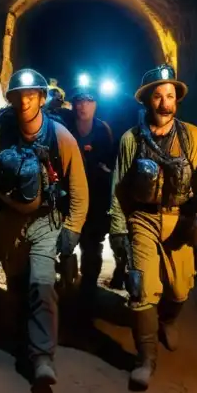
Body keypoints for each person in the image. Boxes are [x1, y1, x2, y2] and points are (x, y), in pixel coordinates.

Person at [0, 68, 89, 391]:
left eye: (31, 96)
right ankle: (24, 335)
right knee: (18, 285)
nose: (24, 102)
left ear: (40, 99)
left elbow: (78, 188)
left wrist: (72, 228)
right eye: (19, 97)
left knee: (42, 283)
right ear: (12, 99)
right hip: (8, 222)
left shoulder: (60, 138)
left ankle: (41, 358)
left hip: (45, 223)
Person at [108, 64, 197, 390]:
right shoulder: (131, 140)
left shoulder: (192, 137)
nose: (164, 103)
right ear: (146, 101)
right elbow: (118, 187)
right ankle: (146, 360)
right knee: (141, 288)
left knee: (180, 287)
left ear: (176, 100)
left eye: (170, 96)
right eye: (158, 96)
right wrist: (117, 228)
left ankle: (168, 319)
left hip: (178, 220)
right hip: (141, 219)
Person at [63, 85, 116, 310]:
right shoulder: (64, 128)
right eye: (78, 101)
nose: (82, 105)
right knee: (63, 242)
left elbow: (111, 166)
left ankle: (87, 291)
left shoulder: (103, 131)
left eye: (88, 101)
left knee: (92, 245)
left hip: (95, 200)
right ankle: (67, 278)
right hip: (67, 197)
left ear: (95, 104)